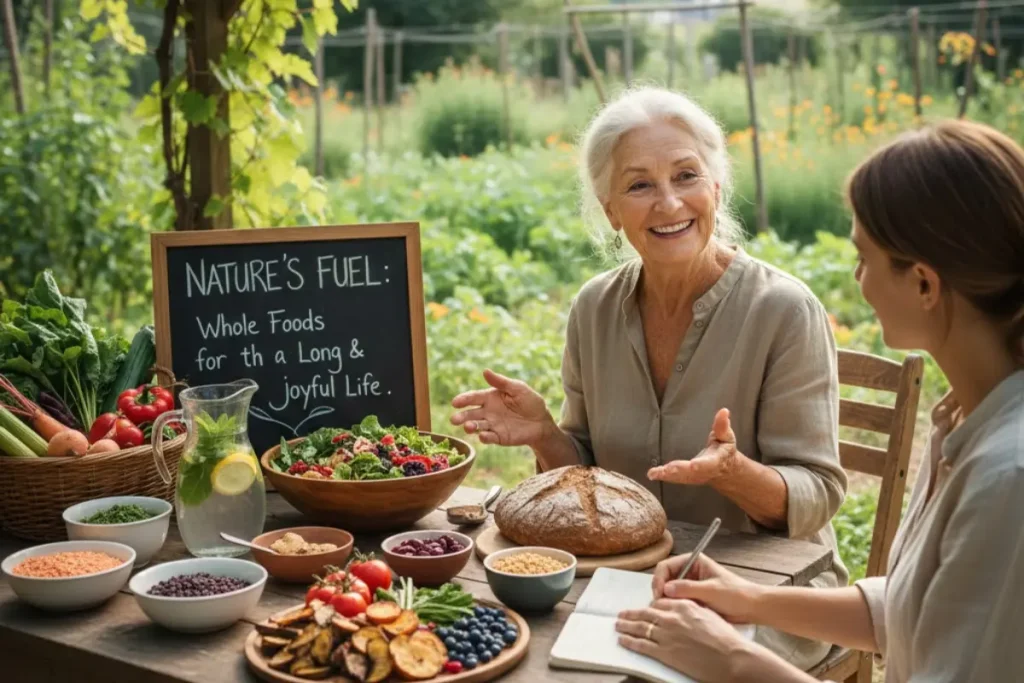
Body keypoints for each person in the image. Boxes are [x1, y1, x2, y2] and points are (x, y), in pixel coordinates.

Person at [449, 86, 848, 670]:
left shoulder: (784, 311)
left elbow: (817, 496)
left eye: (686, 175)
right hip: (622, 584)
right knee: (507, 647)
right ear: (611, 209)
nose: (668, 204)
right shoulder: (593, 309)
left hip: (766, 592)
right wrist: (543, 435)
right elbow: (586, 479)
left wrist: (735, 475)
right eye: (639, 185)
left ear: (716, 185)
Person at [614, 119, 1024, 683]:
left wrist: (734, 661)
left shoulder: (1008, 478)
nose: (857, 279)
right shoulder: (966, 420)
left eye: (863, 258)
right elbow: (909, 609)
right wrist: (747, 599)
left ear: (925, 285)